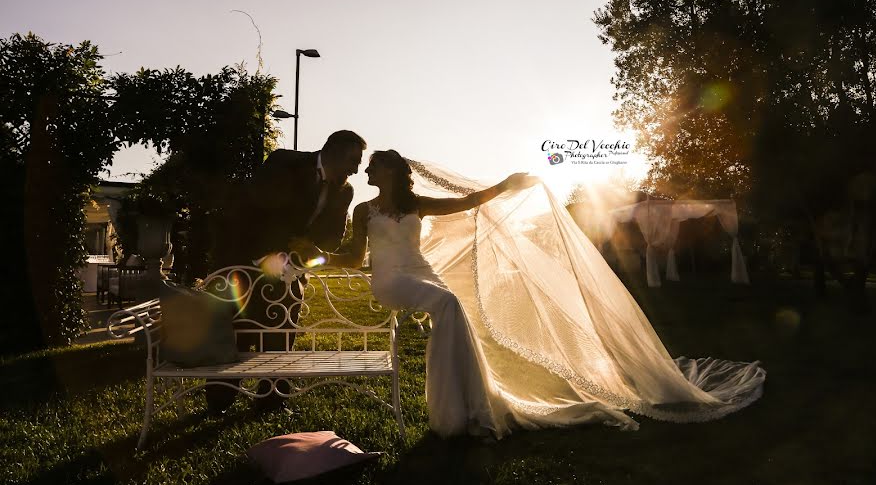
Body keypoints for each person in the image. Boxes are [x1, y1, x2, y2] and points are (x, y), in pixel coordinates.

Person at [295, 150, 766, 438]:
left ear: (392, 172)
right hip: (392, 281)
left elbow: (467, 202)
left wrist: (504, 185)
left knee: (453, 311)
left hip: (424, 273)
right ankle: (453, 416)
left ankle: (475, 408)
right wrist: (312, 257)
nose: (367, 169)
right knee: (450, 305)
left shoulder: (417, 204)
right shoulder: (362, 210)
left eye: (374, 164)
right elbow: (354, 258)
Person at [206, 130, 366, 413]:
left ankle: (272, 400)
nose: (356, 170)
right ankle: (220, 401)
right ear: (332, 152)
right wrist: (275, 251)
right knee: (239, 331)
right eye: (353, 161)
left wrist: (310, 249)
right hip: (248, 262)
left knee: (283, 332)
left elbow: (334, 236)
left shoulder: (345, 191)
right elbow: (255, 208)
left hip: (293, 270)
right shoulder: (285, 162)